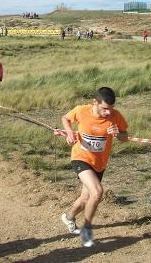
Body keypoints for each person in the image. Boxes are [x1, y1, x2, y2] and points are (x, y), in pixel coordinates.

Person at [60, 87, 129, 247]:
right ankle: (87, 229)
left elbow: (125, 137)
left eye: (110, 109)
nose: (107, 113)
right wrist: (70, 132)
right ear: (95, 102)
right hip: (80, 158)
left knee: (86, 198)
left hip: (99, 163)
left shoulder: (115, 116)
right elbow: (65, 118)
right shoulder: (82, 111)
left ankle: (68, 217)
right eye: (104, 109)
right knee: (97, 192)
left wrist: (118, 133)